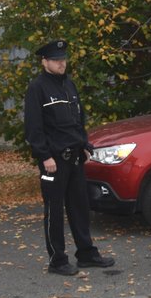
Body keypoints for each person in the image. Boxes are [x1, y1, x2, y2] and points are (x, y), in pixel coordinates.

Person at [24, 39, 115, 276]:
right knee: (55, 211)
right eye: (56, 60)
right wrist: (44, 156)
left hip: (75, 158)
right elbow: (34, 127)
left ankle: (86, 254)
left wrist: (84, 144)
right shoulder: (38, 88)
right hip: (53, 161)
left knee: (80, 207)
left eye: (63, 59)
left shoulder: (69, 85)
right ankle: (57, 260)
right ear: (44, 62)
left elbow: (77, 120)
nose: (61, 63)